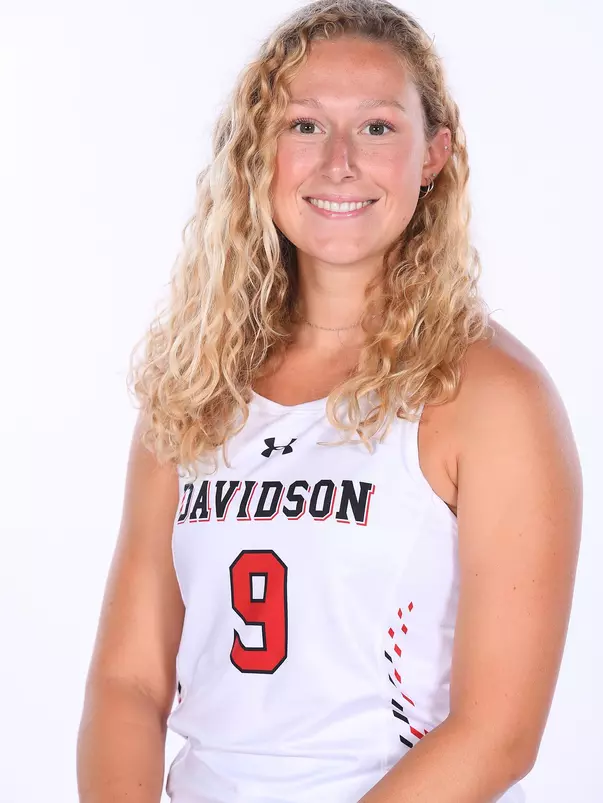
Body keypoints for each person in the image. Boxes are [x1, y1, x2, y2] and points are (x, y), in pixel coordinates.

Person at [76, 1, 582, 801]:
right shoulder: (195, 383)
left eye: (377, 127)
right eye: (303, 125)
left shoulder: (490, 395)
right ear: (257, 151)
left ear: (432, 154)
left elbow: (498, 734)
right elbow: (130, 679)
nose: (339, 162)